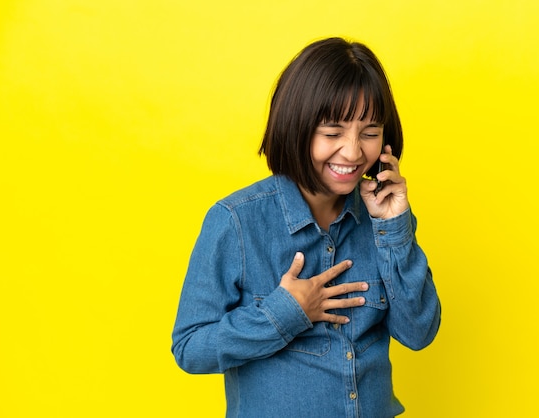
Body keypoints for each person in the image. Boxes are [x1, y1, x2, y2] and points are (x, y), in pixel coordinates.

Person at [171, 37, 441, 418]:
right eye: (332, 133)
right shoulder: (236, 221)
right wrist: (287, 312)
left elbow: (419, 333)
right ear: (297, 128)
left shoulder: (384, 220)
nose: (352, 152)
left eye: (369, 132)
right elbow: (190, 347)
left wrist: (395, 226)